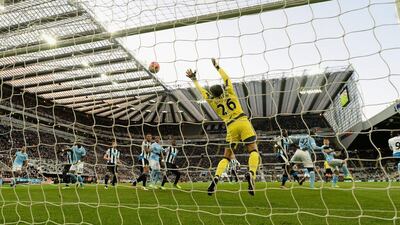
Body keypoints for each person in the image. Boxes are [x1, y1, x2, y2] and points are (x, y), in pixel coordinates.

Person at [186, 58, 260, 196]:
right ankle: (251, 174)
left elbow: (202, 91)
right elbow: (226, 78)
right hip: (242, 121)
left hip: (230, 127)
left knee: (226, 157)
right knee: (253, 150)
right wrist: (217, 66)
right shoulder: (230, 92)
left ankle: (216, 178)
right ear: (222, 89)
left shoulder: (212, 101)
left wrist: (194, 79)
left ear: (213, 94)